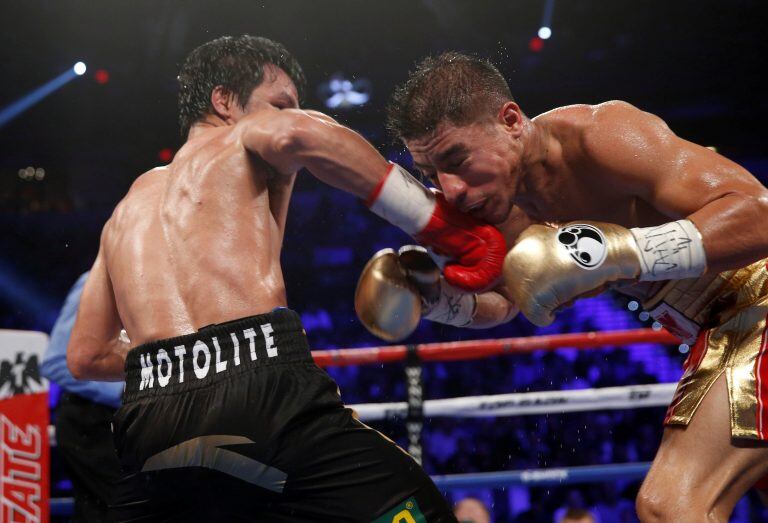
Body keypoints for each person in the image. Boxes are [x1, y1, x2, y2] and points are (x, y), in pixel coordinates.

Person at [66, 36, 507, 521]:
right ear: (224, 101)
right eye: (280, 104)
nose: (290, 115)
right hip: (260, 395)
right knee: (417, 509)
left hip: (149, 420)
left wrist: (182, 352)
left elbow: (85, 356)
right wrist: (436, 223)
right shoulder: (241, 138)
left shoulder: (126, 209)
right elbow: (299, 135)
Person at [360, 51, 768, 522]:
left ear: (510, 120)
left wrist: (620, 251)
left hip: (756, 301)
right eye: (433, 175)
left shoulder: (602, 137)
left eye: (457, 159)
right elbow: (509, 302)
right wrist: (441, 302)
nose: (451, 190)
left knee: (672, 506)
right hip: (712, 331)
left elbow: (757, 211)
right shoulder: (503, 206)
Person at [42, 272, 124, 521]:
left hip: (129, 423)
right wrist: (125, 390)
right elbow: (56, 362)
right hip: (89, 420)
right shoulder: (99, 280)